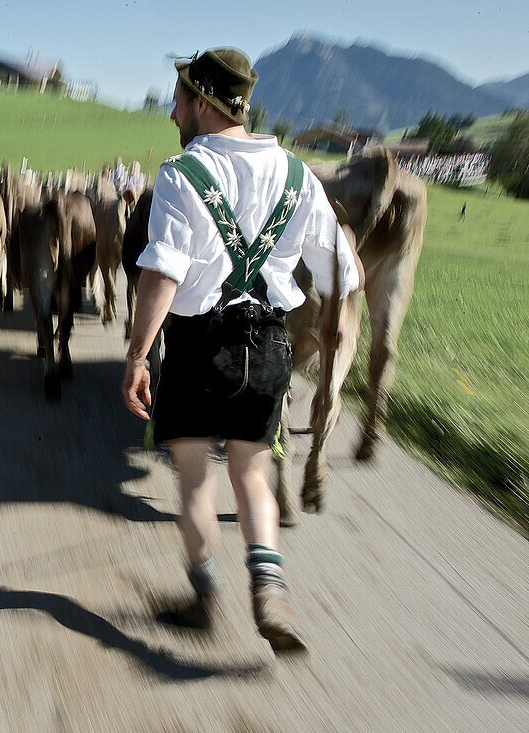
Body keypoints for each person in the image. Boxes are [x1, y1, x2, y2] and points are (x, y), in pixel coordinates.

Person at [121, 48, 360, 652]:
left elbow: (163, 273)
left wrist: (137, 356)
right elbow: (341, 269)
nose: (173, 110)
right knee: (254, 475)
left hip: (200, 346)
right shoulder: (299, 175)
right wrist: (333, 320)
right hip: (269, 346)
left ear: (202, 102)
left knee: (197, 478)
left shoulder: (181, 174)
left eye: (178, 98)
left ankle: (204, 598)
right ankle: (271, 591)